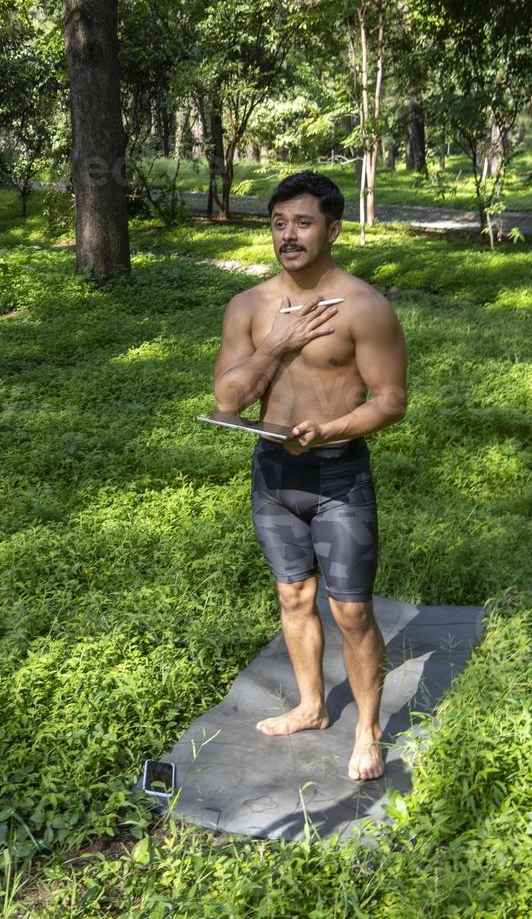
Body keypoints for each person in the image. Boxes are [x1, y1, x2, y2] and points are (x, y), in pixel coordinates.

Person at [211, 170, 408, 782]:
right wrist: (275, 345)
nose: (288, 235)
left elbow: (391, 400)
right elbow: (227, 399)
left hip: (338, 474)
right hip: (273, 472)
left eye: (302, 222)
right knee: (294, 597)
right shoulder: (248, 307)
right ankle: (312, 706)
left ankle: (368, 731)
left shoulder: (365, 307)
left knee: (350, 610)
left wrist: (330, 430)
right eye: (278, 223)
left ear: (333, 228)